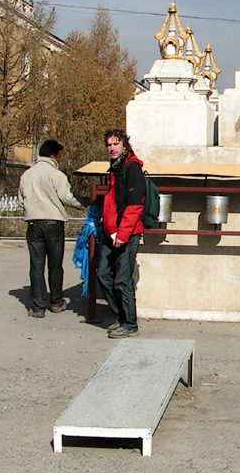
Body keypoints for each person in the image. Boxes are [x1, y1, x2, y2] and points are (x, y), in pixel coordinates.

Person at [18, 139, 84, 317]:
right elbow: (67, 197)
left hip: (33, 224)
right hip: (54, 224)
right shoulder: (57, 175)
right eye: (59, 156)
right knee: (55, 265)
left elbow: (20, 199)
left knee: (36, 265)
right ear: (54, 155)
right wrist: (84, 202)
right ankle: (56, 302)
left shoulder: (26, 175)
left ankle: (38, 306)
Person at [99, 129, 146, 338]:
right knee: (102, 273)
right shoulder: (115, 168)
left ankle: (129, 323)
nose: (112, 148)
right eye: (109, 144)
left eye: (116, 144)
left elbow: (135, 206)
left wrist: (123, 234)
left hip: (125, 233)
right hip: (111, 232)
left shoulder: (131, 168)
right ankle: (121, 314)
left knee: (122, 279)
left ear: (124, 146)